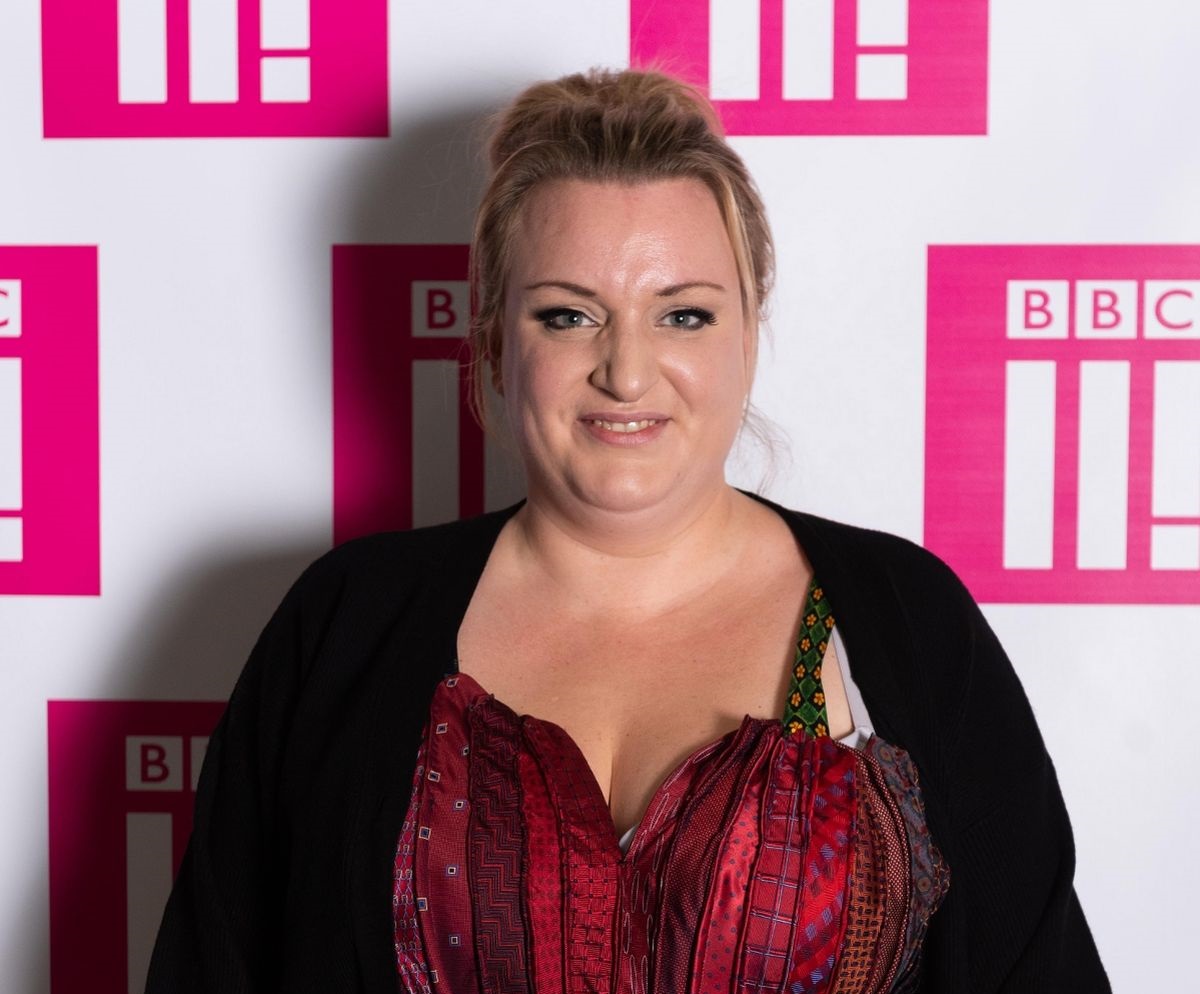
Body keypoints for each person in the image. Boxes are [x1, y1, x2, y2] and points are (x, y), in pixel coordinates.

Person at [146, 69, 1110, 994]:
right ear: (493, 341)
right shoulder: (345, 623)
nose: (627, 372)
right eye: (569, 316)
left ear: (748, 336)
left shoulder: (906, 619)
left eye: (683, 315)